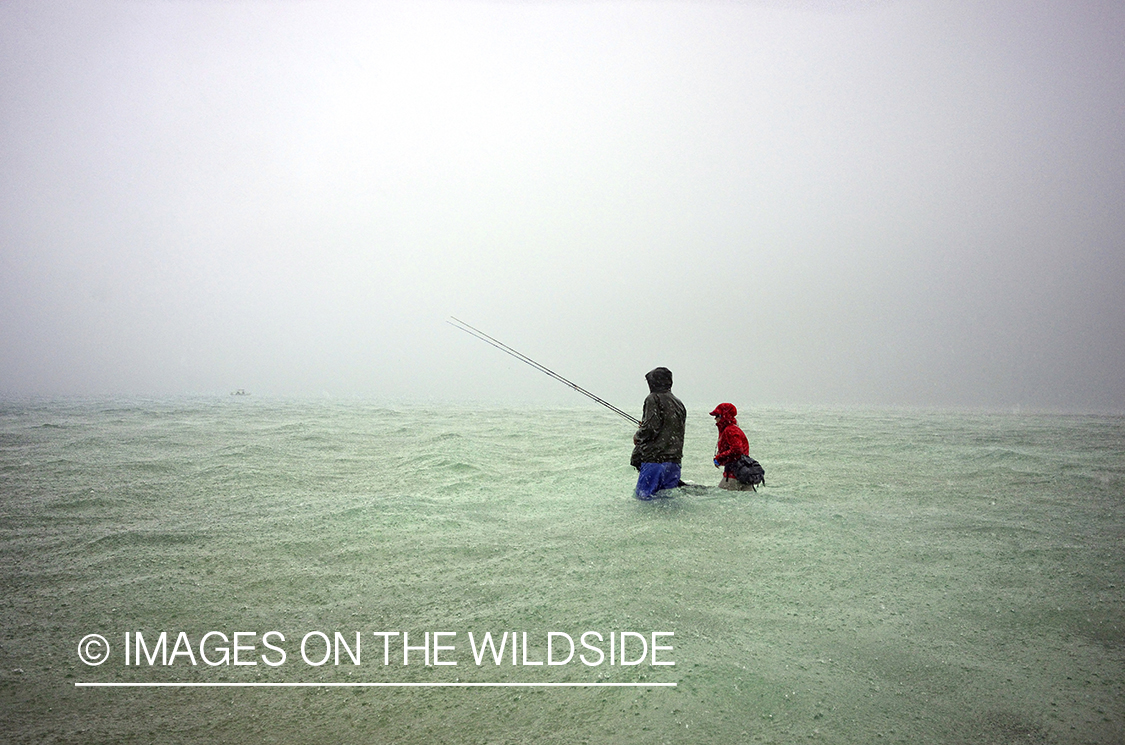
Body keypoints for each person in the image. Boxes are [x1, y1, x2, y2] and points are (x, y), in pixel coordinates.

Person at [631, 367, 687, 500]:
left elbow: (650, 428)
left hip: (655, 460)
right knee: (668, 500)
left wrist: (638, 435)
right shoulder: (678, 403)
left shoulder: (653, 398)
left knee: (644, 500)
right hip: (674, 462)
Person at [710, 402, 755, 491]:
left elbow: (737, 449)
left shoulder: (730, 430)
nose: (715, 419)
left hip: (732, 476)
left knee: (721, 500)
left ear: (723, 416)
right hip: (742, 474)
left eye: (717, 416)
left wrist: (719, 458)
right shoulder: (734, 429)